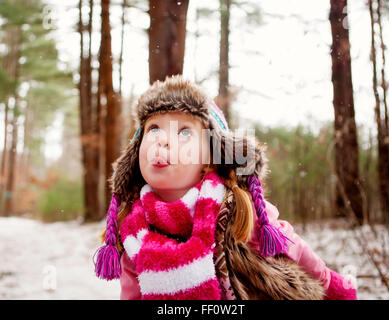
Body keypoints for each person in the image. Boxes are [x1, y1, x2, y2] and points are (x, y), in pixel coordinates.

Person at [94, 75, 357, 300]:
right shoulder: (133, 233)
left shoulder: (238, 211)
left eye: (184, 132)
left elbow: (295, 250)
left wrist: (332, 284)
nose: (163, 140)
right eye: (153, 129)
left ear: (210, 157)